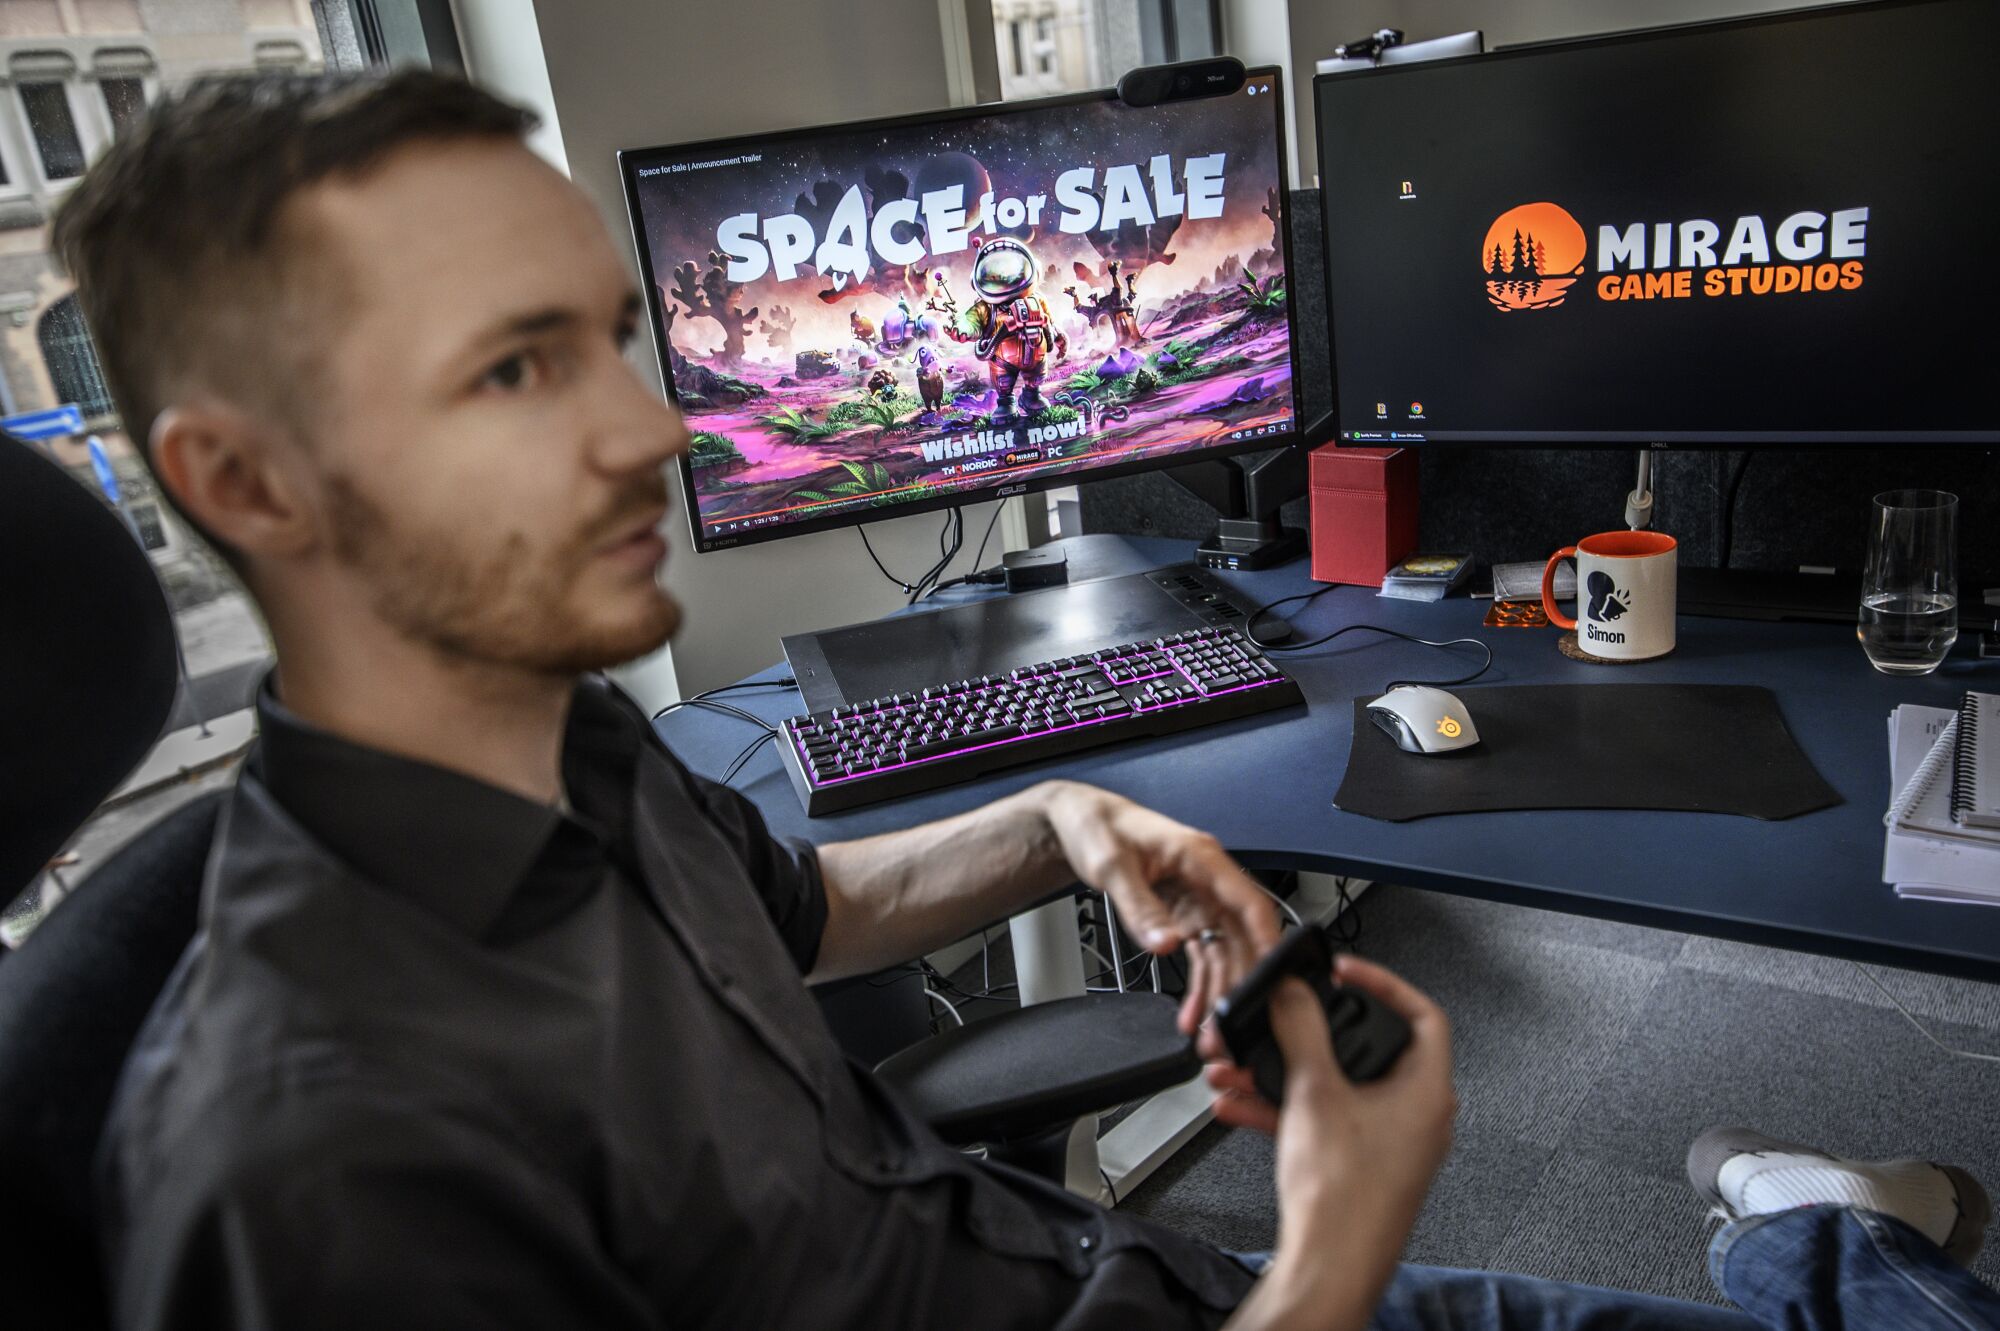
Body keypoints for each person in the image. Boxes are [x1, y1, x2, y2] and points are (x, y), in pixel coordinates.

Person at [58, 71, 1995, 1331]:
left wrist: (1074, 820)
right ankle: (1820, 1239)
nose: (652, 428)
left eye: (616, 343)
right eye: (511, 371)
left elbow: (817, 914)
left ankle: (1814, 1237)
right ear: (244, 483)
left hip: (1126, 1275)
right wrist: (1331, 1233)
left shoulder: (552, 742)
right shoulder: (323, 1176)